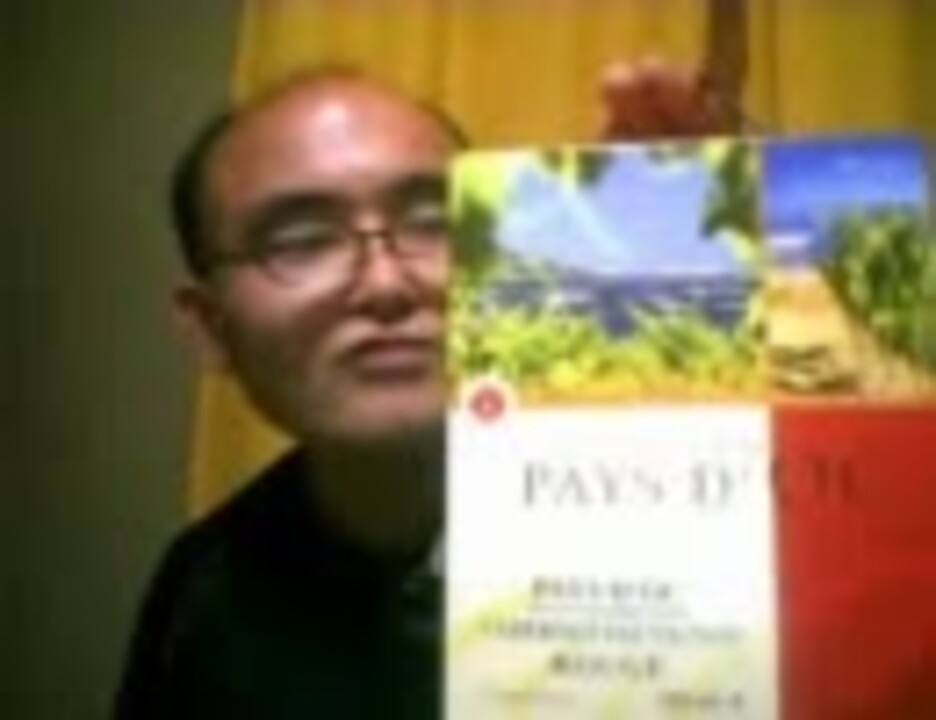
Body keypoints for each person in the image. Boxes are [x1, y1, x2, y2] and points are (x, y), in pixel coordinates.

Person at [115, 61, 740, 719]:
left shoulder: (699, 529)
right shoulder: (201, 591)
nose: (386, 284)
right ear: (211, 328)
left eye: (436, 223)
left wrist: (743, 239)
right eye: (302, 241)